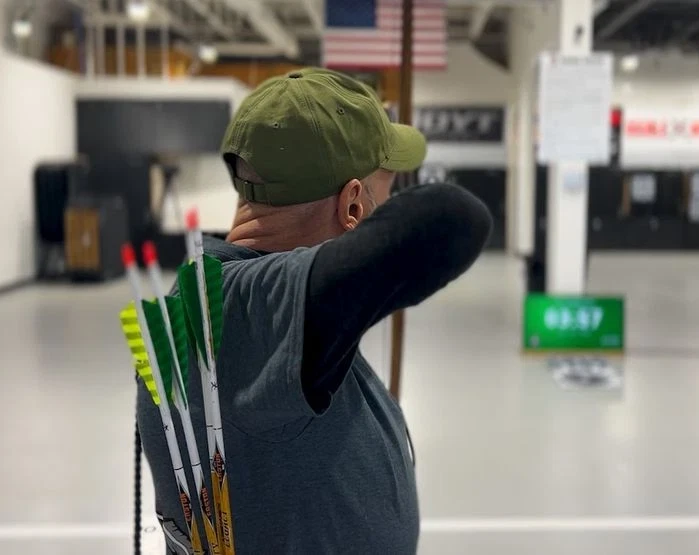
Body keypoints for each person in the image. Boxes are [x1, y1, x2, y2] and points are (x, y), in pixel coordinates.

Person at [136, 67, 492, 554]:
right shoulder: (239, 314)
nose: (390, 200)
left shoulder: (235, 296)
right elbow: (452, 219)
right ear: (352, 205)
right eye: (384, 187)